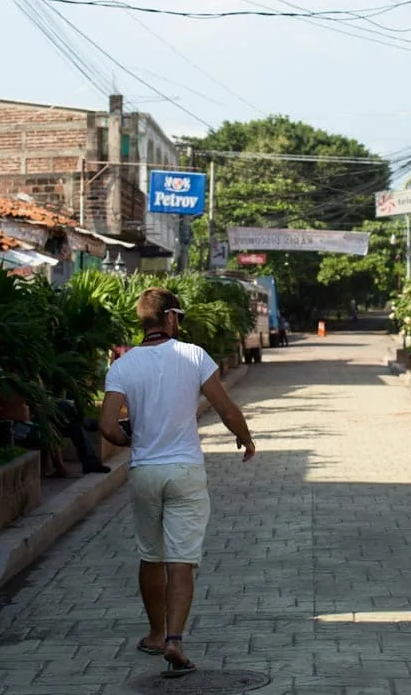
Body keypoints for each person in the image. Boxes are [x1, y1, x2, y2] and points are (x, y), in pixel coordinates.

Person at [99, 288, 255, 679]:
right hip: (185, 470)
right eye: (178, 316)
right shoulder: (194, 355)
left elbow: (105, 426)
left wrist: (129, 440)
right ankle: (175, 639)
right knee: (181, 561)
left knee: (151, 556)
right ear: (170, 318)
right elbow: (225, 406)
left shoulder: (123, 364)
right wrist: (245, 437)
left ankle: (153, 634)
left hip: (145, 472)